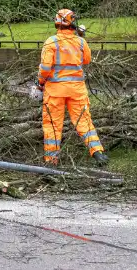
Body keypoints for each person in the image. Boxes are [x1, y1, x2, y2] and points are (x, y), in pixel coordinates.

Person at [39, 9, 107, 166]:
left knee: (52, 125)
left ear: (57, 23)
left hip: (55, 91)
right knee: (84, 121)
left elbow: (45, 69)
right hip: (77, 90)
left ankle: (51, 160)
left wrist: (40, 83)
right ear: (73, 23)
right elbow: (87, 60)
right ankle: (97, 152)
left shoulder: (51, 42)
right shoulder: (81, 42)